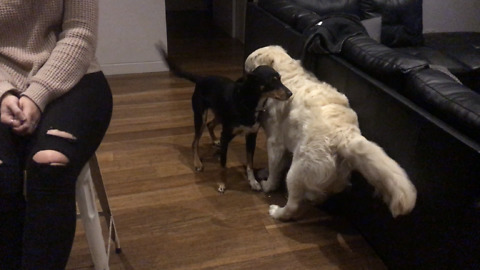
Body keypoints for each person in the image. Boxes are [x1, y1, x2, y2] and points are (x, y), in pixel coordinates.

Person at [0, 1, 112, 269]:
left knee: (50, 163)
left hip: (73, 75)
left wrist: (38, 94)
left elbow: (80, 33)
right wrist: (2, 91)